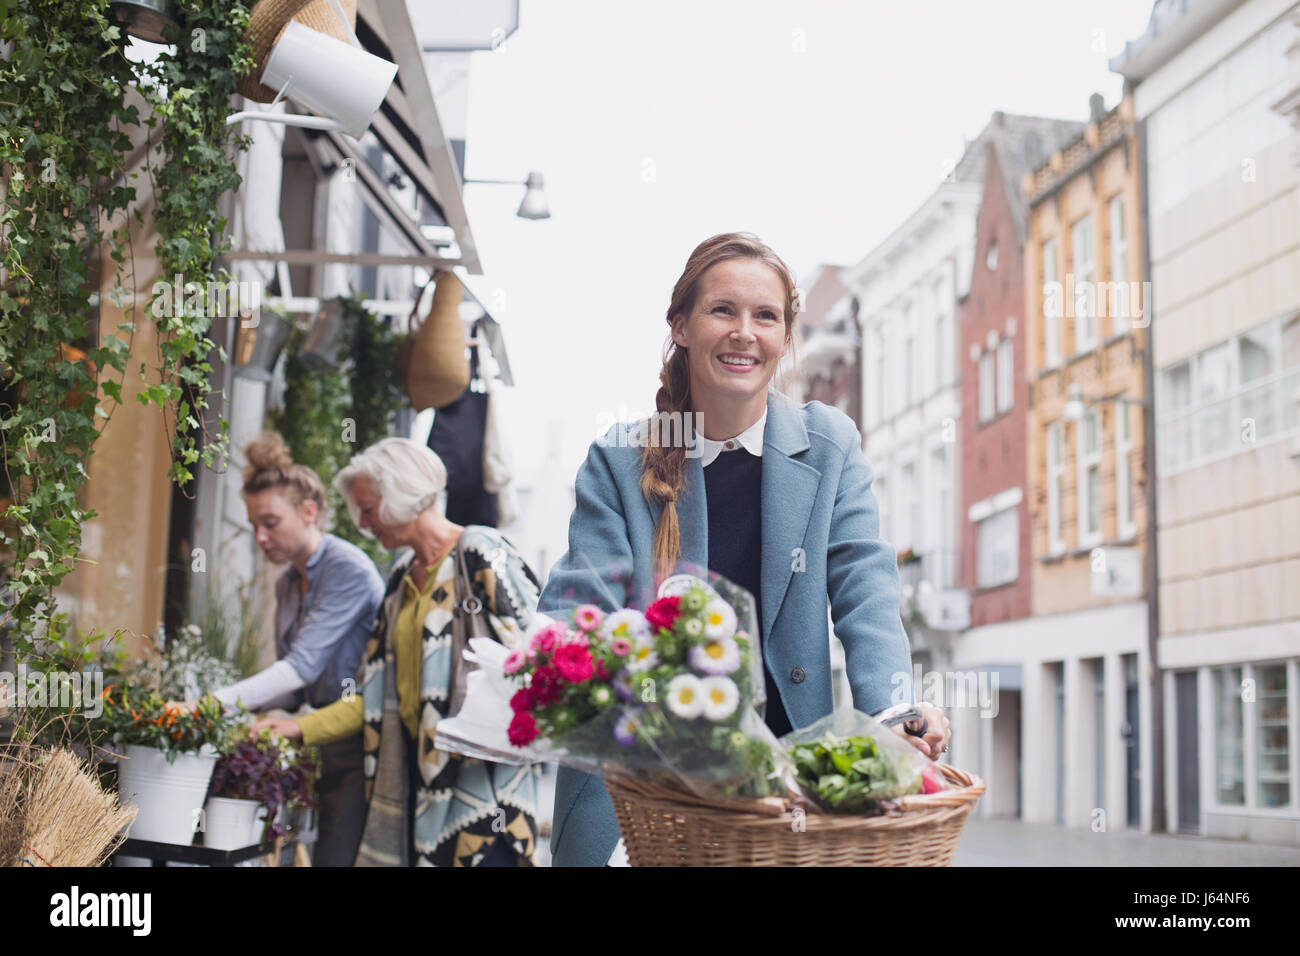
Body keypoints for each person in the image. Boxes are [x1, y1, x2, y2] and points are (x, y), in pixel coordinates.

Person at [540, 232, 952, 866]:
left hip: (782, 786)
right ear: (680, 325)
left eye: (766, 316)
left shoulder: (829, 444)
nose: (745, 332)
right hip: (639, 784)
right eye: (722, 310)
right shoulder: (619, 460)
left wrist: (894, 707)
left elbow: (865, 584)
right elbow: (578, 609)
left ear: (786, 336)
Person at [254, 437, 543, 867]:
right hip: (419, 789)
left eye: (369, 509)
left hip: (486, 792)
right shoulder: (398, 583)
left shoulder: (479, 551)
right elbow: (372, 698)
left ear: (404, 495)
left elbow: (540, 658)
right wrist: (298, 728)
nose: (365, 523)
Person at [181, 432, 384, 866]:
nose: (259, 536)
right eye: (254, 524)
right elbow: (292, 693)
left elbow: (299, 670)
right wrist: (229, 716)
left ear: (308, 512)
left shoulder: (346, 569)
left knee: (338, 858)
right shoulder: (289, 580)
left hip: (361, 742)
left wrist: (206, 706)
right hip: (319, 741)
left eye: (270, 523)